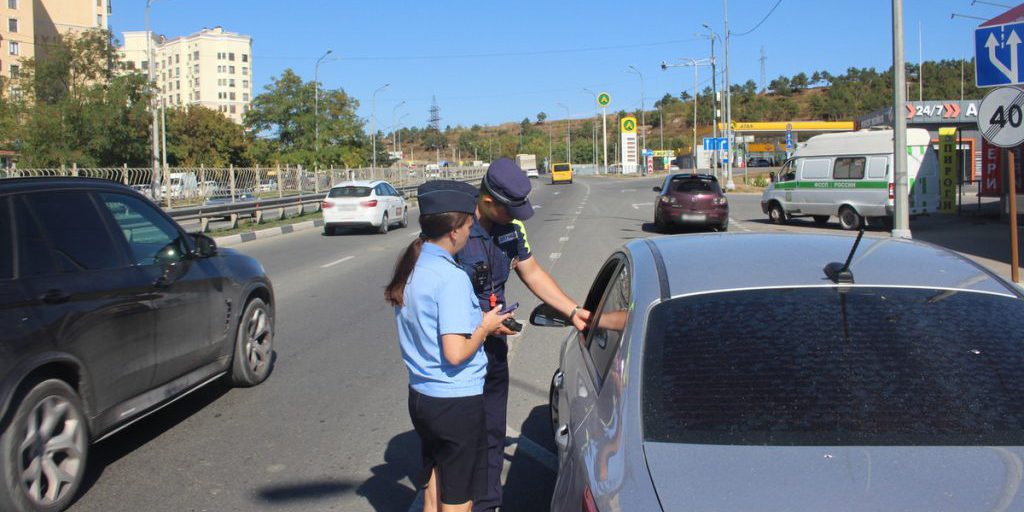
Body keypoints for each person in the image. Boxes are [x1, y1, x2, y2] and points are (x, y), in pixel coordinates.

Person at [455, 157, 590, 512]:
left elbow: (531, 273)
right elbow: (432, 293)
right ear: (487, 202)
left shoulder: (512, 228)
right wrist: (478, 324)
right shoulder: (454, 227)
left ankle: (486, 506)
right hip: (455, 354)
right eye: (510, 208)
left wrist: (572, 310)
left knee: (492, 436)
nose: (517, 216)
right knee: (455, 444)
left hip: (492, 349)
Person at [386, 180, 512, 512]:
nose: (471, 233)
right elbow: (455, 353)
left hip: (422, 399)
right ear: (455, 231)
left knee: (434, 487)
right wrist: (485, 327)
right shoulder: (452, 277)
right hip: (455, 404)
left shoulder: (414, 265)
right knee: (458, 500)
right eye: (469, 226)